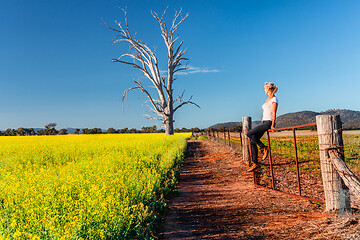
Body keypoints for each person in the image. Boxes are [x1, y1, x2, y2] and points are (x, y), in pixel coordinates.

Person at [246, 82, 278, 172]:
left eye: (265, 88)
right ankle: (255, 163)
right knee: (252, 141)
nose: (264, 90)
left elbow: (274, 113)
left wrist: (272, 125)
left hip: (268, 122)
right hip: (263, 121)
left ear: (268, 89)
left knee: (249, 133)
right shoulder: (268, 99)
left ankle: (263, 147)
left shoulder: (274, 99)